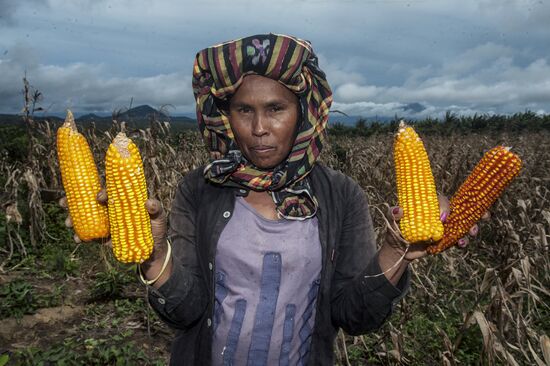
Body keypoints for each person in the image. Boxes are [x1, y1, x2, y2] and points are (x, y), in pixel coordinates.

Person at [64, 33, 482, 366]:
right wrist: (154, 256)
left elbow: (355, 317)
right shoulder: (199, 189)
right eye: (243, 111)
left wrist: (397, 250)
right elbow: (185, 311)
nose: (259, 128)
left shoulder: (340, 195)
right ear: (224, 117)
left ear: (304, 111)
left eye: (275, 108)